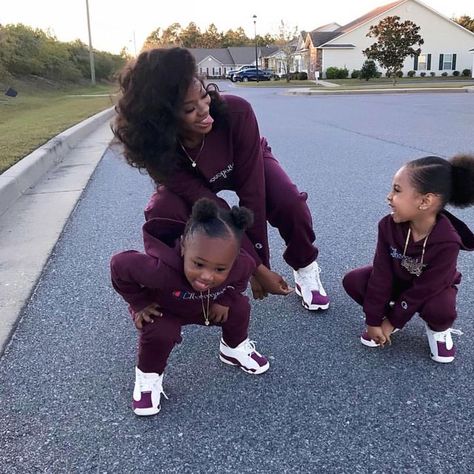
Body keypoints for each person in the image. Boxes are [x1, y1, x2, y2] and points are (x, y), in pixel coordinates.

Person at [113, 47, 329, 311]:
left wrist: (260, 263)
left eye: (204, 96)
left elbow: (252, 193)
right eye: (190, 108)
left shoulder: (236, 112)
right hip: (194, 182)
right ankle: (178, 279)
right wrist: (256, 269)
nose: (205, 110)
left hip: (245, 160)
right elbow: (216, 208)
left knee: (288, 201)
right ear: (163, 119)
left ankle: (305, 265)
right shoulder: (158, 151)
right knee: (162, 209)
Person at [110, 198, 269, 416]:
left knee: (239, 307)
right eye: (198, 264)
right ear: (184, 246)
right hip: (164, 309)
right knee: (159, 332)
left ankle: (233, 348)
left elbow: (243, 275)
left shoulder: (240, 264)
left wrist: (225, 299)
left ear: (233, 260)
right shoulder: (158, 269)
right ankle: (148, 377)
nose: (207, 276)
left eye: (220, 269)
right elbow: (119, 265)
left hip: (207, 306)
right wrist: (140, 303)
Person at [343, 154, 474, 363]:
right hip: (398, 280)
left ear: (425, 201)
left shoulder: (448, 242)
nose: (388, 197)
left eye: (396, 190)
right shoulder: (387, 226)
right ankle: (389, 314)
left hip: (431, 290)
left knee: (440, 310)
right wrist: (374, 320)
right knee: (354, 281)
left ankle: (438, 330)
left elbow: (426, 287)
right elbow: (381, 274)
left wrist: (392, 323)